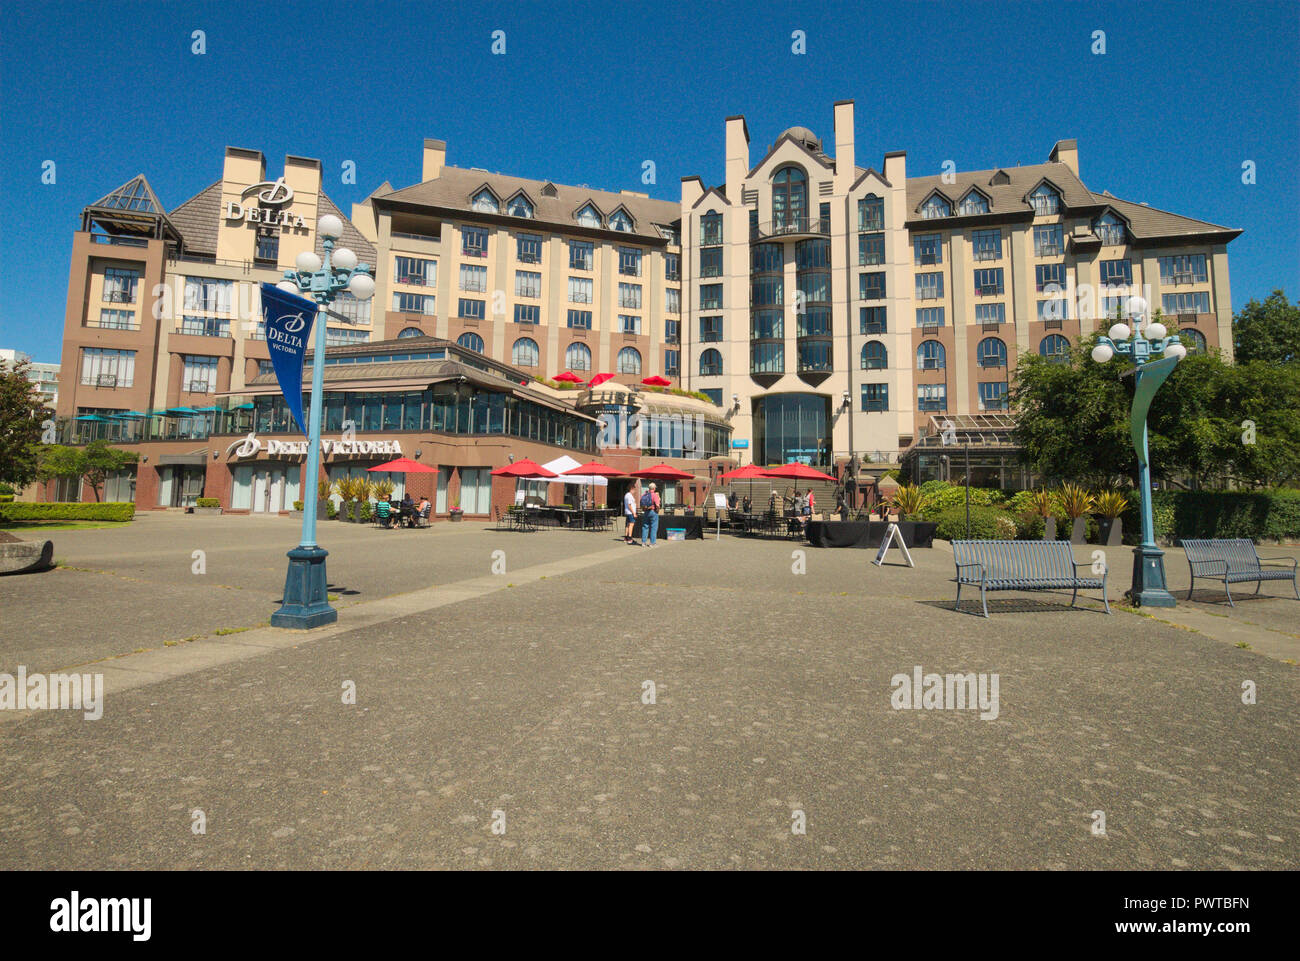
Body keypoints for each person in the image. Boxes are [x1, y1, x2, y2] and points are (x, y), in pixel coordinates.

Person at [640, 482, 660, 547]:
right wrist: (657, 511)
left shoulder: (644, 495)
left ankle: (643, 542)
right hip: (653, 512)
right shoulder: (655, 495)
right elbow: (657, 505)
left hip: (646, 512)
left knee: (645, 526)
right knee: (653, 527)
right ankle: (652, 543)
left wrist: (645, 509)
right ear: (654, 488)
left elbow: (641, 504)